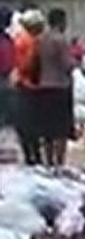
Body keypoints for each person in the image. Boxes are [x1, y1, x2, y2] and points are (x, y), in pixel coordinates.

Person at [34, 8, 75, 166]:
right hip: (60, 87)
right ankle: (59, 163)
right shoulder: (60, 40)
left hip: (44, 86)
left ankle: (48, 161)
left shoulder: (40, 40)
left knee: (47, 130)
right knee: (61, 130)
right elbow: (67, 64)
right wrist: (75, 62)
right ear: (60, 21)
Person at [11, 9, 45, 165]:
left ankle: (29, 157)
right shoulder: (30, 41)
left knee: (24, 126)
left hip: (20, 83)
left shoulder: (19, 38)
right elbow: (28, 64)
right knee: (31, 126)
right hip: (28, 85)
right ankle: (34, 158)